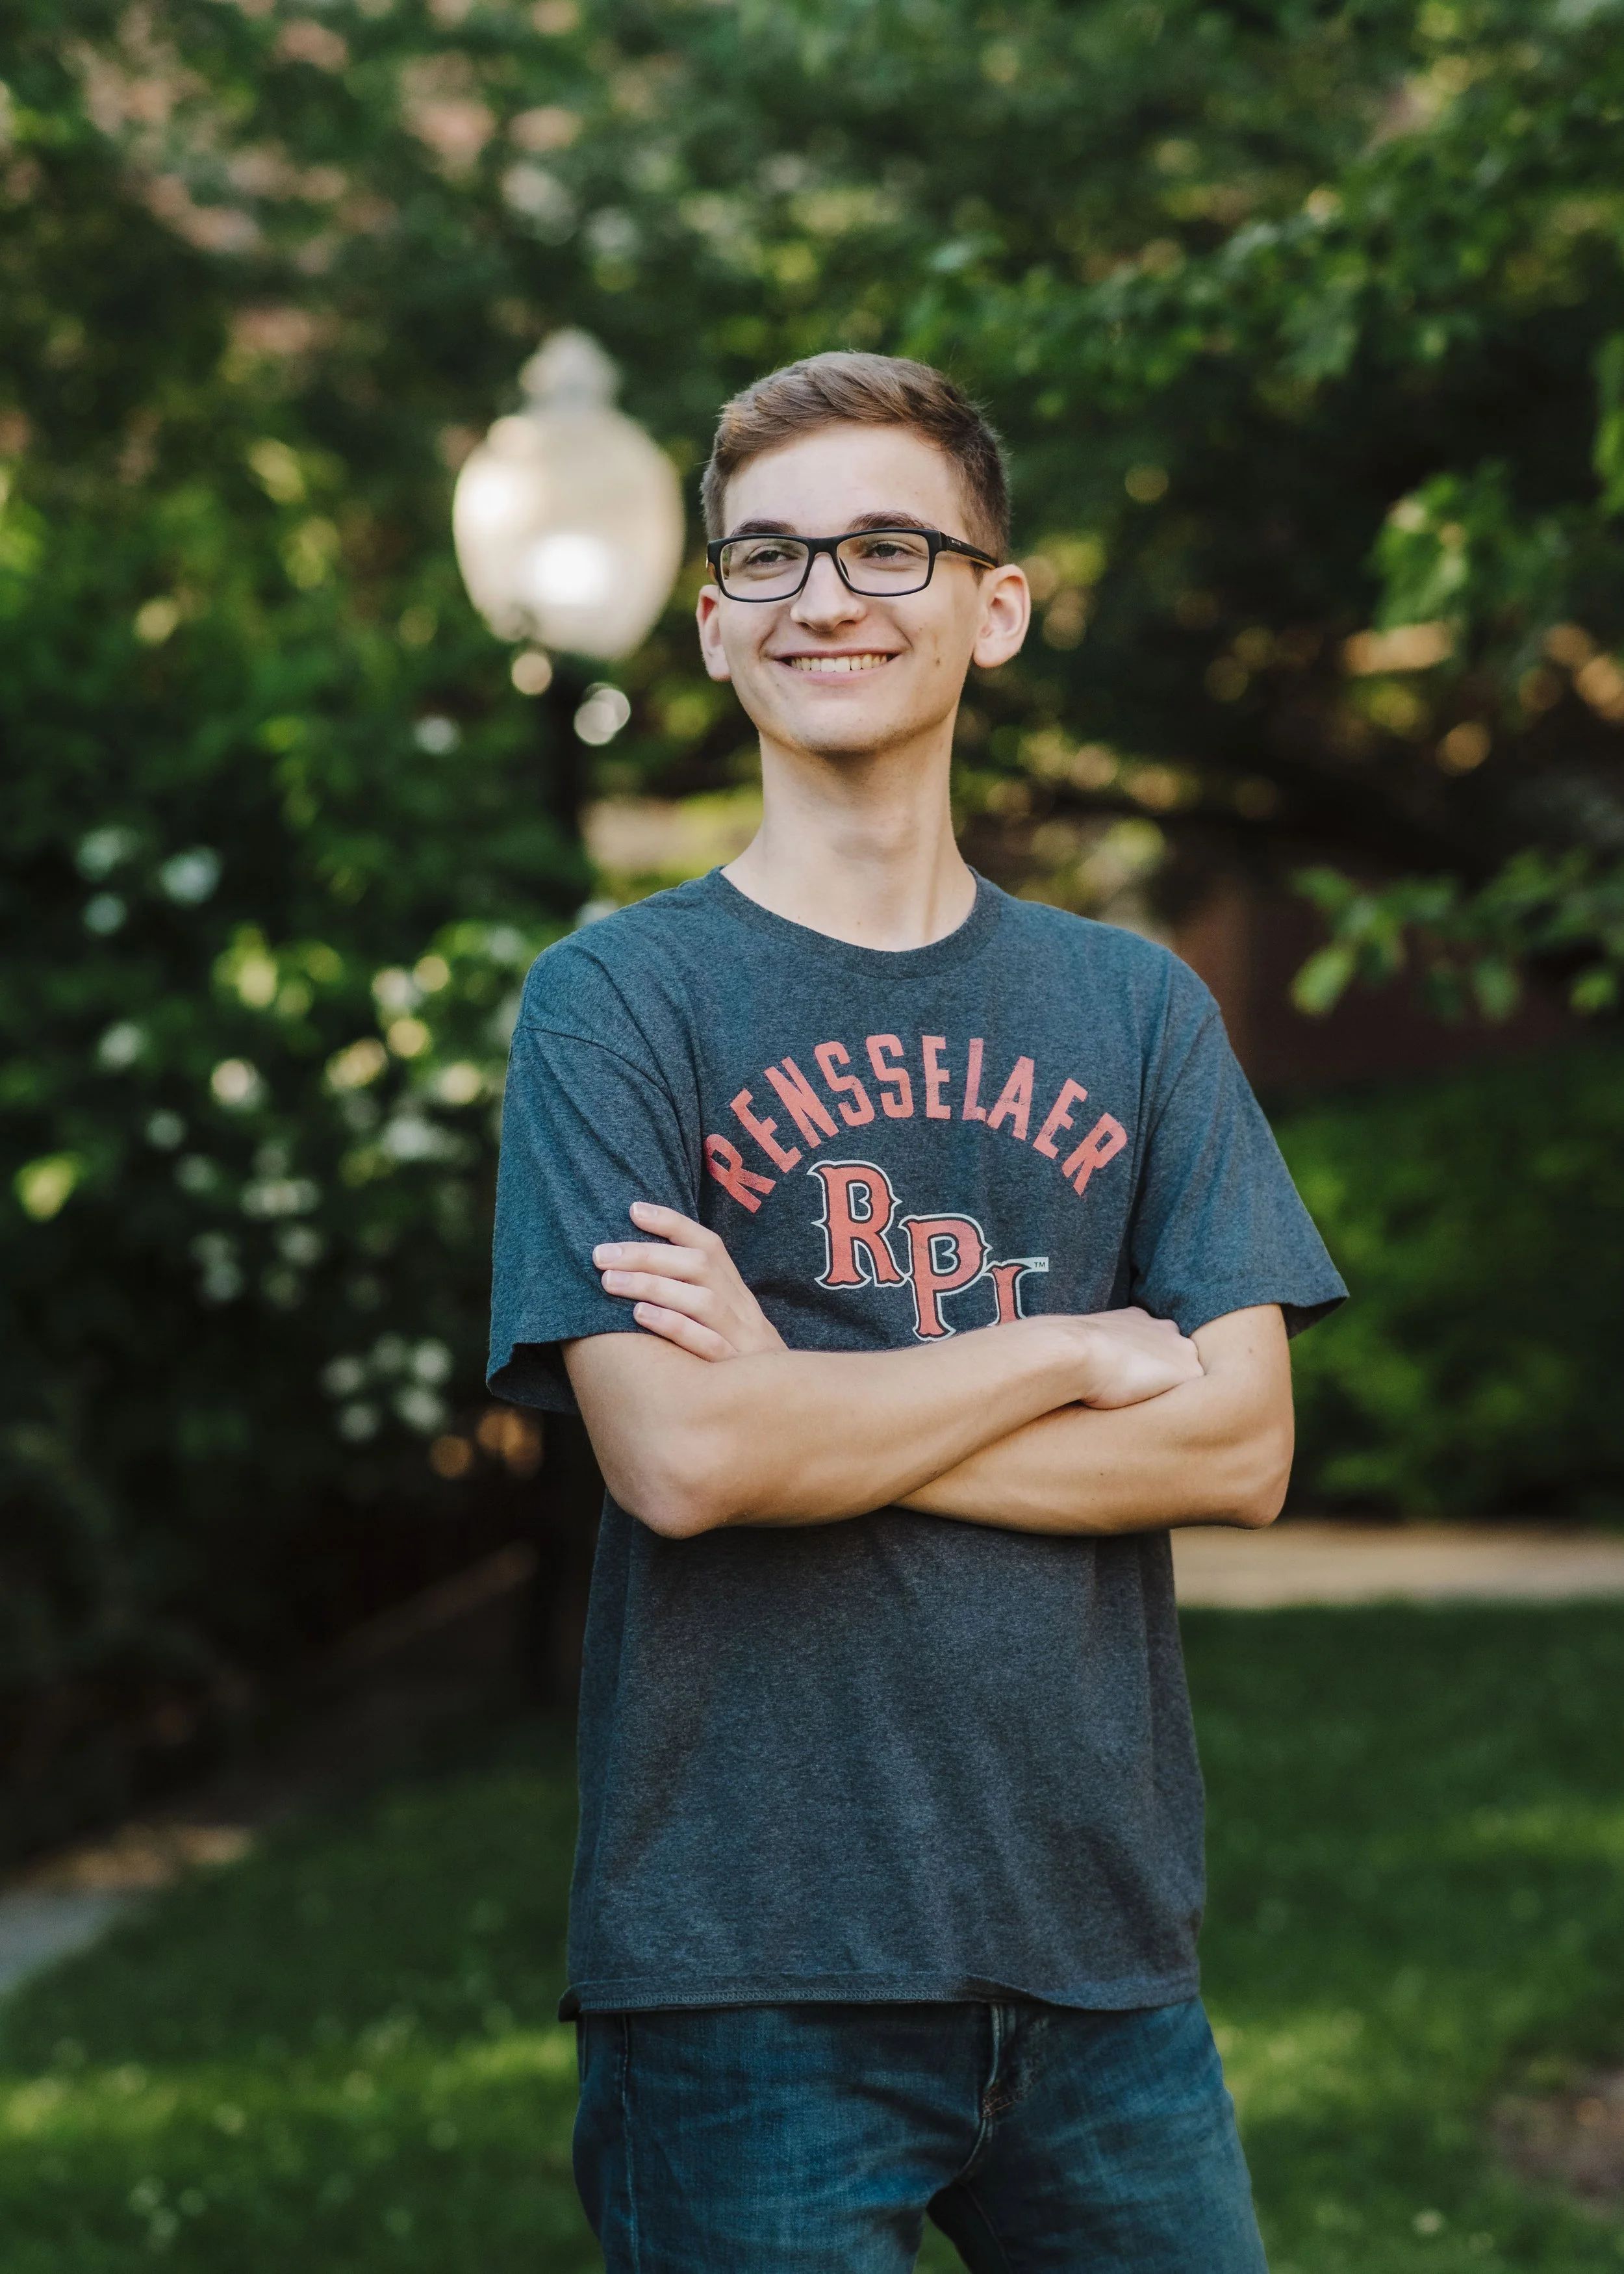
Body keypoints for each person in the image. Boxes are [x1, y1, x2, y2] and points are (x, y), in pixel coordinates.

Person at [488, 350, 1346, 2273]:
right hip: (743, 1975)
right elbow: (685, 1458)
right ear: (712, 626)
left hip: (1102, 1962)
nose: (826, 597)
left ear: (996, 603)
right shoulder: (617, 1007)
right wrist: (1057, 1348)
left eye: (887, 543)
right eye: (770, 560)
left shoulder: (1133, 1008)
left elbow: (1235, 1440)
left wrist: (806, 1400)